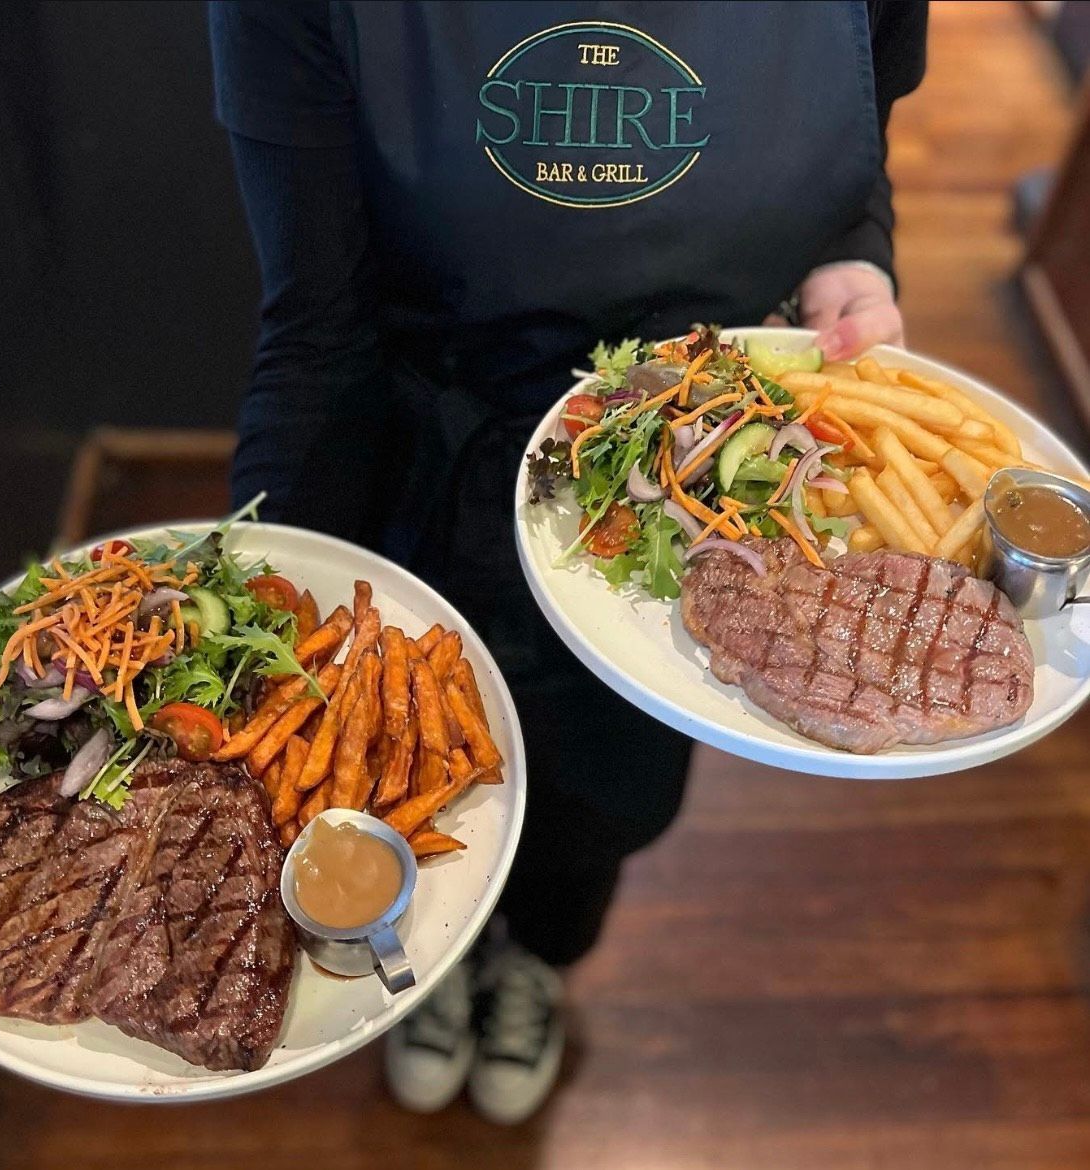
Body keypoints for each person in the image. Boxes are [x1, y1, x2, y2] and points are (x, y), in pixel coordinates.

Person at [209, 0, 928, 1124]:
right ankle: (433, 958)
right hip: (427, 468)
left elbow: (850, 160)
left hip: (680, 519)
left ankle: (533, 966)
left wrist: (855, 257)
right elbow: (315, 324)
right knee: (410, 782)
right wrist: (249, 603)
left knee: (598, 802)